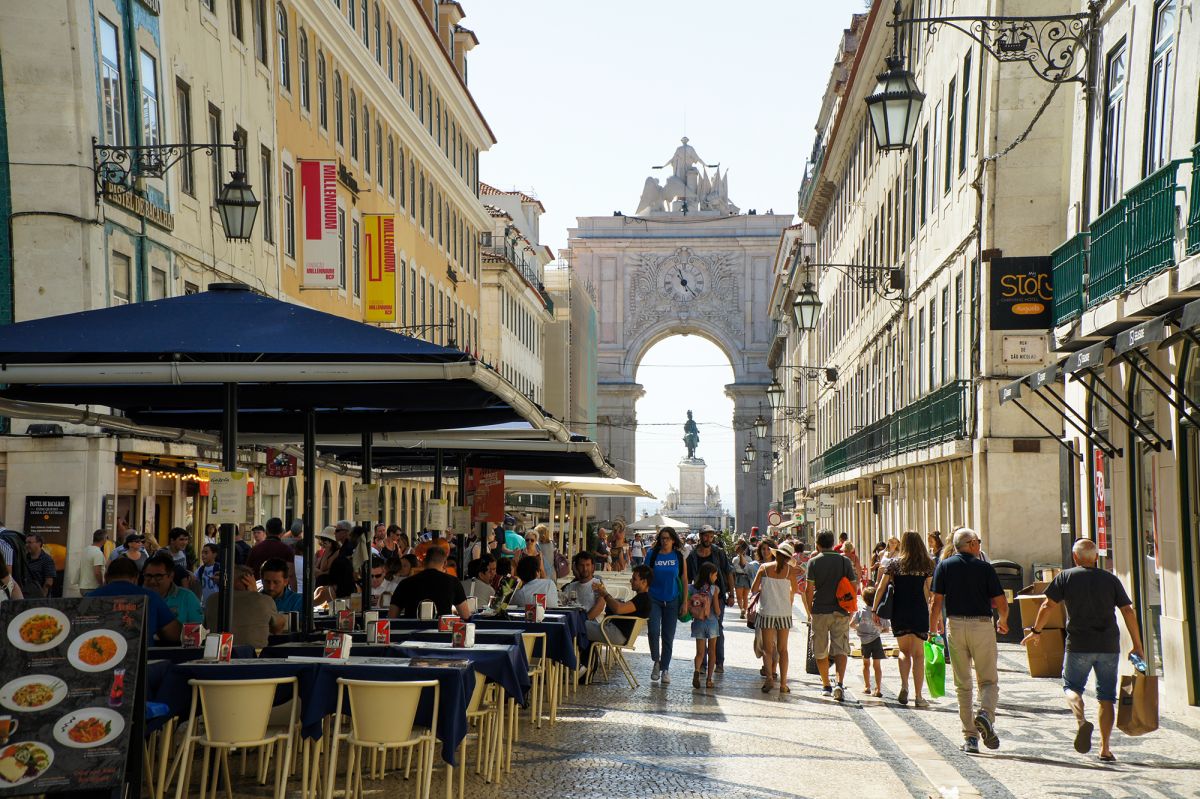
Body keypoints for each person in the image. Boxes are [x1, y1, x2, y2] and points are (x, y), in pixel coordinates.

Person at [1023, 538, 1145, 762]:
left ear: (1075, 557)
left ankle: (1081, 721)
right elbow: (1128, 611)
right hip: (1108, 645)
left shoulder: (1066, 577)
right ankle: (1105, 749)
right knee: (1107, 697)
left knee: (1071, 687)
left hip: (1079, 643)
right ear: (1096, 558)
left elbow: (1047, 605)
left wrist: (1037, 631)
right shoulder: (1110, 579)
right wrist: (1138, 645)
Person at [929, 527, 1009, 754]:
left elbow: (936, 601)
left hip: (955, 625)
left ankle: (970, 738)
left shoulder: (944, 566)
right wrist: (1003, 620)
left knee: (962, 685)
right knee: (988, 681)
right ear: (972, 544)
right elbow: (1001, 601)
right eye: (978, 542)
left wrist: (933, 628)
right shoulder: (985, 568)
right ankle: (985, 714)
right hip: (982, 625)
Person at [874, 531, 935, 707]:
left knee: (903, 652)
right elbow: (931, 591)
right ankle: (918, 696)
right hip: (919, 611)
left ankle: (904, 687)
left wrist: (874, 608)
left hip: (899, 610)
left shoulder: (895, 563)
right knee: (918, 654)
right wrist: (935, 614)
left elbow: (881, 587)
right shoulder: (927, 564)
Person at [803, 530, 858, 701]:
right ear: (833, 542)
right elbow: (854, 587)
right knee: (841, 648)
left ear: (817, 544)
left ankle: (826, 685)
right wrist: (849, 608)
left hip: (820, 610)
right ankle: (839, 684)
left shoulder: (813, 562)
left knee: (820, 649)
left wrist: (809, 611)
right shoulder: (844, 561)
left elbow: (808, 590)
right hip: (840, 611)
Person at [90, 557, 181, 644]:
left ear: (106, 577)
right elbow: (173, 634)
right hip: (141, 658)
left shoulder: (89, 598)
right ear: (136, 577)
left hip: (98, 657)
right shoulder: (151, 597)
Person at [686, 525, 734, 674]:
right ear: (700, 536)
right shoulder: (693, 555)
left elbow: (728, 572)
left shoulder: (718, 553)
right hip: (699, 599)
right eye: (705, 536)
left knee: (717, 628)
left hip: (717, 596)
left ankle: (719, 662)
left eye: (711, 536)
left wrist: (731, 594)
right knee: (700, 627)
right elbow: (686, 576)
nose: (708, 539)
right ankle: (701, 664)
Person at [752, 540, 798, 693]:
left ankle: (769, 678)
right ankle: (783, 684)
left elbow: (753, 589)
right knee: (783, 649)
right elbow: (794, 591)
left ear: (776, 554)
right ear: (787, 557)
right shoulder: (790, 571)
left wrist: (766, 587)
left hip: (767, 611)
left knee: (767, 649)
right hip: (784, 613)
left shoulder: (764, 568)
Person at [204, 565, 287, 649]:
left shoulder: (212, 600)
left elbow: (206, 626)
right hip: (254, 657)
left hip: (220, 654)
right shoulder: (263, 600)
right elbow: (277, 628)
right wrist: (255, 593)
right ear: (247, 581)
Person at [644, 526, 688, 685]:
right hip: (654, 598)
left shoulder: (678, 556)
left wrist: (684, 601)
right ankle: (656, 661)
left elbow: (684, 579)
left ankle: (665, 668)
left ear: (673, 540)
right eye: (662, 538)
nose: (664, 541)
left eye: (667, 538)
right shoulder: (652, 554)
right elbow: (644, 575)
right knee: (653, 631)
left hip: (672, 599)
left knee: (668, 636)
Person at [389, 547, 470, 618]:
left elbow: (392, 616)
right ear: (445, 563)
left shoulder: (405, 583)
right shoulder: (453, 582)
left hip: (411, 632)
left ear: (424, 562)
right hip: (442, 633)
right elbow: (465, 615)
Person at [590, 564, 651, 645]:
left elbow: (618, 609)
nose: (631, 581)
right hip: (616, 633)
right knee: (582, 625)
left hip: (617, 635)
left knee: (579, 625)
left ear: (644, 582)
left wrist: (605, 594)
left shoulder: (643, 599)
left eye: (634, 579)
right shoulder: (643, 598)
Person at [142, 553, 203, 626]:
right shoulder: (136, 598)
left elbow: (196, 631)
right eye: (148, 576)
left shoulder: (187, 598)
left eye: (158, 576)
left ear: (171, 576)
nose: (152, 581)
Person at [688, 563, 721, 690]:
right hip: (712, 623)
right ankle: (709, 680)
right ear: (710, 575)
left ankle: (697, 670)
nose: (716, 577)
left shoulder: (693, 588)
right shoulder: (714, 589)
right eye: (715, 575)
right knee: (712, 652)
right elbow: (717, 610)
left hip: (698, 623)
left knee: (700, 653)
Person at [853, 585, 890, 698]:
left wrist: (860, 627)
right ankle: (878, 688)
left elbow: (852, 625)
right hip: (876, 641)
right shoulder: (879, 613)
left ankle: (867, 686)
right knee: (877, 666)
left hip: (864, 642)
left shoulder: (860, 612)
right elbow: (886, 629)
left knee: (866, 664)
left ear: (863, 599)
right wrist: (878, 629)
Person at [561, 552, 605, 621]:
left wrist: (583, 622)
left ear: (592, 567)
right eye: (581, 565)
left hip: (593, 623)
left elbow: (600, 606)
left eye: (588, 565)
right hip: (574, 623)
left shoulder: (598, 583)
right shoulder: (570, 587)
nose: (585, 569)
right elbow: (561, 604)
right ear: (575, 567)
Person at [78, 529, 108, 593]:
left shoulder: (85, 550)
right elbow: (97, 572)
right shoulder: (98, 553)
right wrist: (102, 585)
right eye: (107, 538)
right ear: (104, 539)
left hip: (83, 586)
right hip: (93, 588)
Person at [732, 540, 753, 618]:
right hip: (740, 577)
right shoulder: (736, 559)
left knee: (743, 596)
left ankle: (743, 610)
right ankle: (742, 610)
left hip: (744, 578)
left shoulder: (748, 559)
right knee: (741, 596)